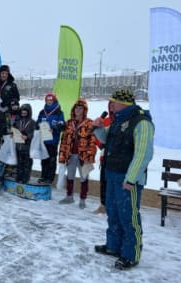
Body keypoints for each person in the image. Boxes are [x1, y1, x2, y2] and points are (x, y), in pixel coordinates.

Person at [93, 89, 154, 270]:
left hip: (128, 179)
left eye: (114, 102)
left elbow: (144, 154)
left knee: (128, 216)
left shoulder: (142, 123)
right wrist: (97, 128)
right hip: (111, 174)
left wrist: (132, 178)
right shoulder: (118, 120)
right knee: (113, 213)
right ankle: (113, 246)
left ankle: (130, 254)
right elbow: (106, 140)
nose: (110, 105)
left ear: (124, 103)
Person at [58, 98, 96, 209]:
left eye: (80, 108)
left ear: (85, 110)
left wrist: (90, 156)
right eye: (76, 108)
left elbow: (92, 141)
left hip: (84, 156)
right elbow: (64, 140)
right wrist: (62, 155)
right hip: (71, 155)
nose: (78, 110)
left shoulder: (89, 123)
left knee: (84, 177)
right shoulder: (69, 123)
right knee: (70, 176)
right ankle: (69, 197)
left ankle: (82, 200)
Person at [36, 93, 65, 184]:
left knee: (51, 160)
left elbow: (62, 124)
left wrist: (54, 128)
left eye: (51, 100)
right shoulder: (42, 112)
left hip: (53, 141)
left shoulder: (59, 112)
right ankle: (44, 176)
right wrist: (38, 127)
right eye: (47, 100)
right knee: (44, 159)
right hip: (44, 140)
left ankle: (50, 178)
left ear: (54, 101)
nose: (49, 102)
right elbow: (38, 122)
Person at [93, 101, 114, 214]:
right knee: (104, 183)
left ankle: (112, 206)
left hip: (116, 159)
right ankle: (103, 204)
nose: (112, 106)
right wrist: (101, 145)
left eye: (114, 104)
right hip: (104, 156)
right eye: (110, 104)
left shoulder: (122, 121)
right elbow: (98, 136)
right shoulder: (105, 121)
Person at [13, 104, 35, 184]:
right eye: (22, 111)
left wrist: (28, 136)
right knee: (19, 163)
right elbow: (14, 130)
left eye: (25, 111)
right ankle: (19, 177)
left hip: (27, 147)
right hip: (18, 146)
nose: (24, 112)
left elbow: (35, 134)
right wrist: (12, 134)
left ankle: (25, 178)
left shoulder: (32, 122)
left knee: (27, 164)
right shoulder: (17, 121)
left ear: (29, 112)